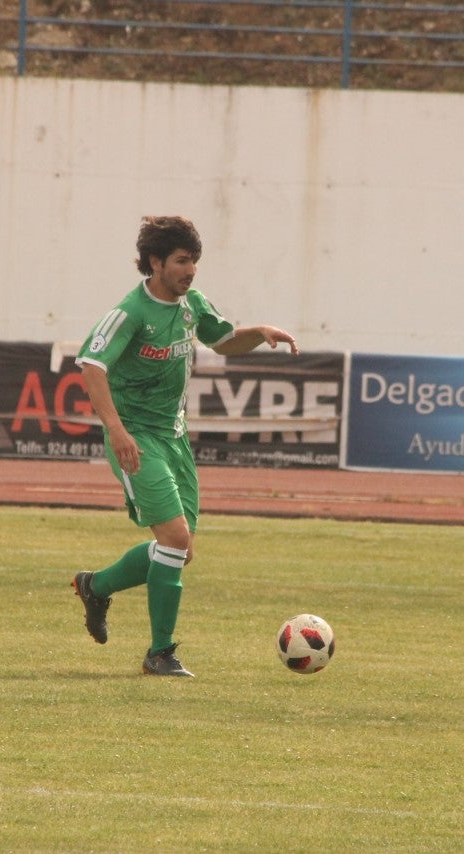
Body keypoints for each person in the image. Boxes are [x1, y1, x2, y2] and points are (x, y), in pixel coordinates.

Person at [71, 216, 298, 677]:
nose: (190, 269)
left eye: (194, 260)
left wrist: (261, 332)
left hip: (173, 437)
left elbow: (223, 339)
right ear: (155, 263)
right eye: (181, 261)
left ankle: (96, 586)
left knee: (180, 551)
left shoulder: (191, 303)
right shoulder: (130, 312)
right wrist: (117, 431)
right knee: (173, 540)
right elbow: (92, 365)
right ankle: (160, 653)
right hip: (136, 438)